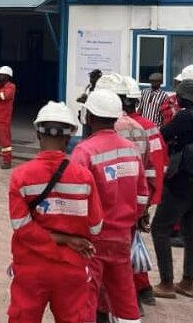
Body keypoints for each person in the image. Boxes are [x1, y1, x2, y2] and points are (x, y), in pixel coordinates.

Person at [6, 102, 103, 323]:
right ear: (69, 138)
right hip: (72, 267)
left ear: (38, 134)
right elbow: (96, 227)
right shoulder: (85, 177)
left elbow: (21, 227)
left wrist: (61, 238)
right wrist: (70, 239)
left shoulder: (20, 176)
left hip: (31, 266)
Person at [70, 89, 147, 323]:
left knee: (86, 295)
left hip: (93, 238)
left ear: (90, 116)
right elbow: (142, 196)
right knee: (124, 294)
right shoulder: (131, 149)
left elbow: (76, 200)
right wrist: (130, 220)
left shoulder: (84, 151)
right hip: (123, 235)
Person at [150, 79, 193, 299]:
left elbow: (163, 134)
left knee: (159, 228)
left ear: (185, 97)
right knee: (190, 231)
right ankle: (187, 282)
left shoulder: (185, 116)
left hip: (181, 177)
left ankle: (166, 283)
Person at [123, 76, 167, 308]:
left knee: (120, 247)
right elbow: (157, 162)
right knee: (132, 241)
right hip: (141, 195)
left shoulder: (117, 128)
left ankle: (132, 296)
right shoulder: (149, 127)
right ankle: (143, 289)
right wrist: (148, 200)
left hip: (121, 198)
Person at [77, 69, 102, 135]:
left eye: (93, 77)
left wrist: (87, 100)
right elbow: (82, 98)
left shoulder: (101, 89)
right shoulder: (88, 87)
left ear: (98, 78)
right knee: (85, 138)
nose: (91, 79)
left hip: (94, 120)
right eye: (90, 77)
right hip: (85, 118)